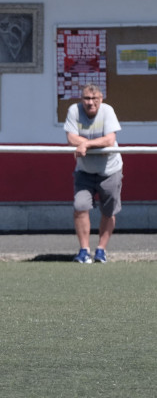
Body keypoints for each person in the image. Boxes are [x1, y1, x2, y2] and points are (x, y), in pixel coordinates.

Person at [64, 84, 123, 264]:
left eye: (94, 99)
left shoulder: (107, 111)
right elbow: (71, 138)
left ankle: (101, 250)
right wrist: (90, 144)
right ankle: (84, 251)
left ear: (100, 99)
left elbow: (110, 140)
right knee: (80, 206)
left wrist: (86, 145)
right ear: (81, 100)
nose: (90, 103)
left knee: (109, 210)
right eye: (86, 99)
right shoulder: (74, 110)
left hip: (110, 170)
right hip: (85, 171)